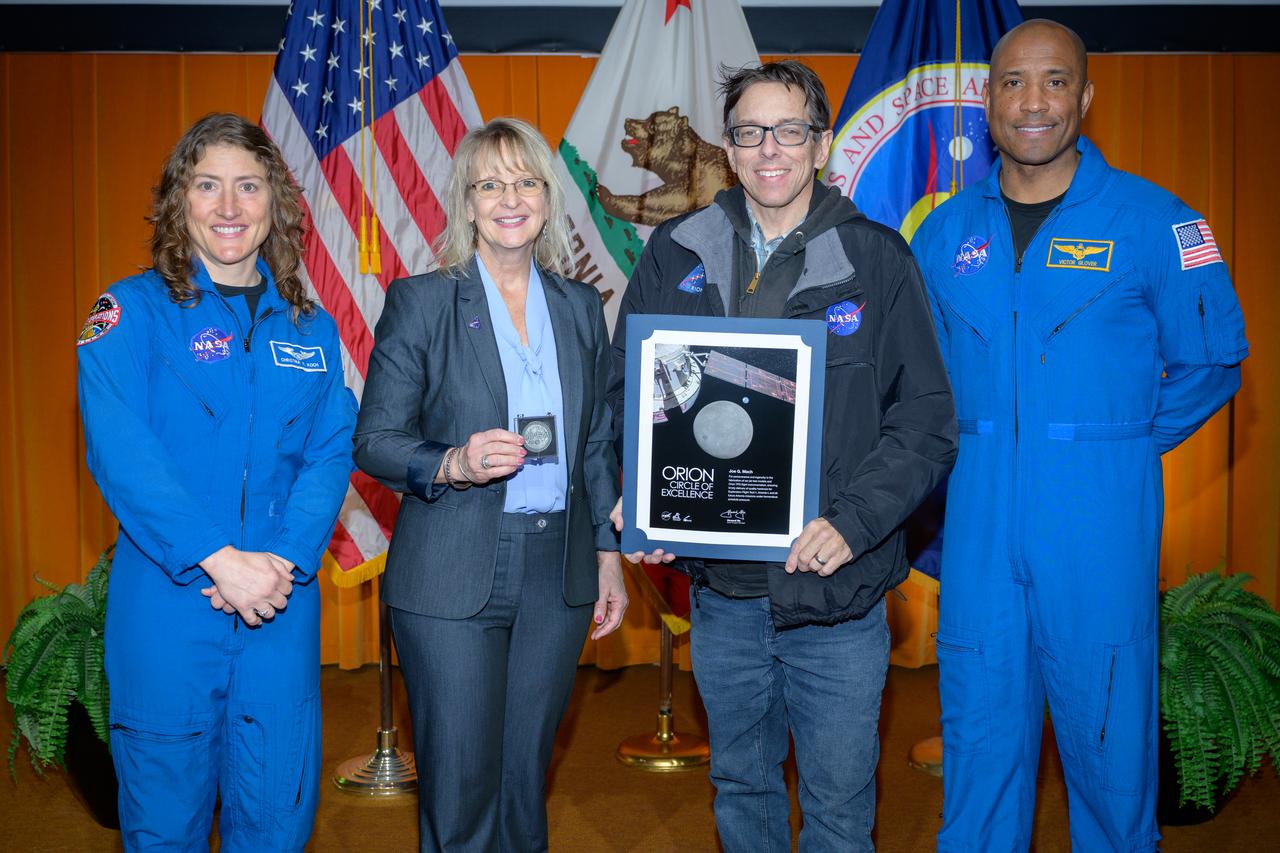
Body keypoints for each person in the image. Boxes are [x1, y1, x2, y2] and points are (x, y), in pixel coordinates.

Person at [911, 20, 1249, 852]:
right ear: (987, 103)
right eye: (1013, 83)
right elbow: (915, 384)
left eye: (1055, 82)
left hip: (1097, 527)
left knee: (1109, 749)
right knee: (981, 740)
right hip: (979, 528)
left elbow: (1212, 367)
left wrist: (1112, 443)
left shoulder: (1156, 223)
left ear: (1086, 97)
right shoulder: (943, 235)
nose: (1033, 102)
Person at [608, 61, 957, 852]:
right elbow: (627, 394)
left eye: (790, 129)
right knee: (742, 789)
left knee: (837, 808)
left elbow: (928, 420)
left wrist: (853, 522)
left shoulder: (876, 261)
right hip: (723, 599)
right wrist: (643, 493)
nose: (771, 149)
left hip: (837, 597)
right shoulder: (676, 252)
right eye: (750, 132)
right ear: (728, 148)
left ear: (822, 143)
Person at [76, 113, 357, 851]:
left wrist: (284, 562)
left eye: (247, 186)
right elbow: (124, 454)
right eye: (208, 186)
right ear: (180, 200)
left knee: (275, 818)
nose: (229, 207)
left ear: (275, 204)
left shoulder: (311, 329)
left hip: (278, 602)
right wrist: (218, 558)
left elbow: (331, 450)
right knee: (164, 824)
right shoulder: (129, 313)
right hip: (168, 608)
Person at [353, 117, 627, 853]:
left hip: (557, 576)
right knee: (462, 787)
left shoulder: (578, 306)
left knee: (522, 786)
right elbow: (374, 439)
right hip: (453, 569)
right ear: (466, 203)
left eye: (527, 181)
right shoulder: (423, 300)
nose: (511, 197)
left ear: (547, 198)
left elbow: (596, 442)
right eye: (491, 184)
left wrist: (607, 557)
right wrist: (452, 462)